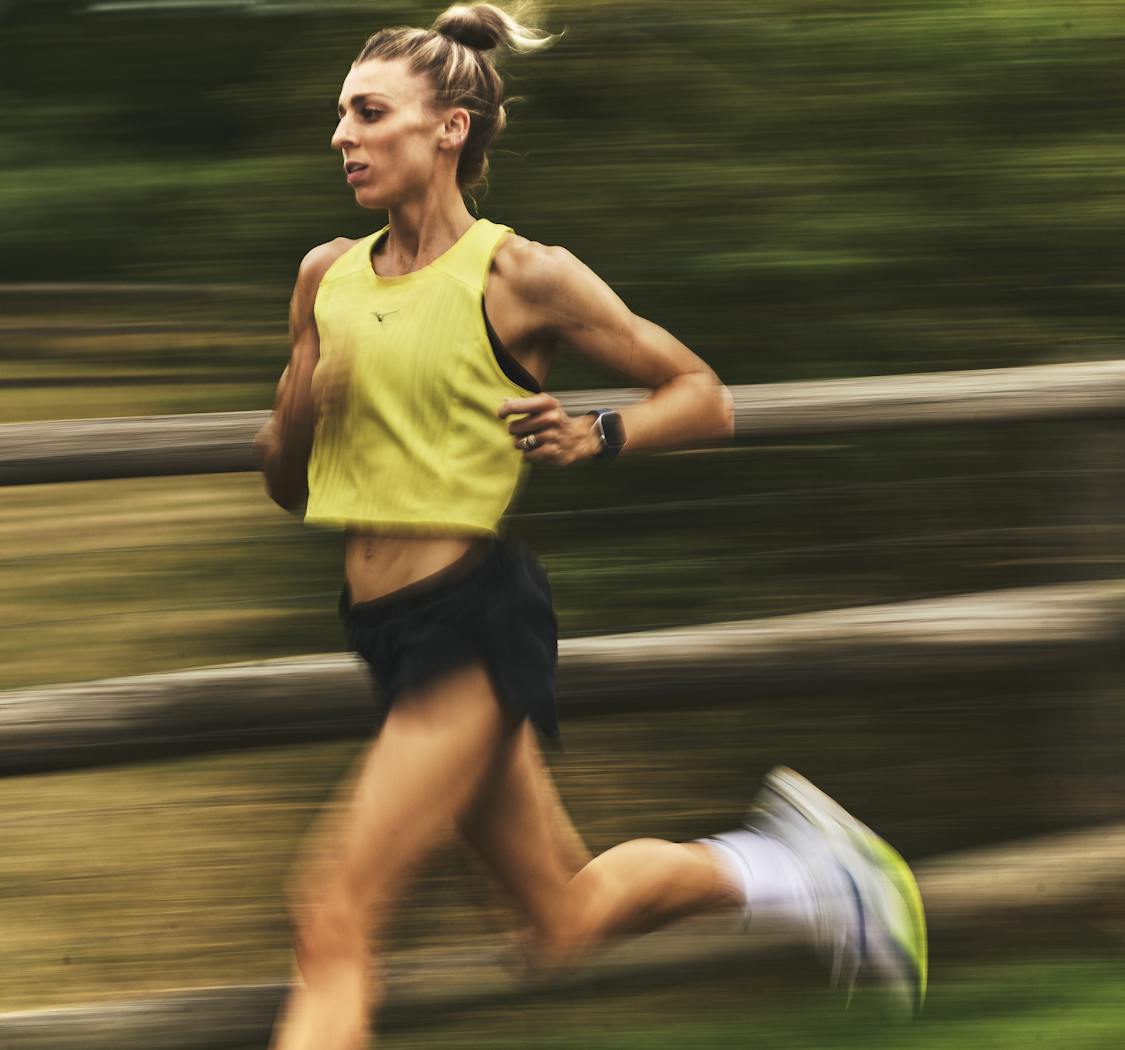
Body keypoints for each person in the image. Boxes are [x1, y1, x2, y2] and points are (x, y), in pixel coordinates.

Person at [254, 5, 927, 1047]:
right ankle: (794, 868)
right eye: (340, 113)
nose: (340, 134)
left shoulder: (521, 275)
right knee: (557, 919)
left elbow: (701, 395)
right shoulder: (325, 277)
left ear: (449, 129)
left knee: (333, 915)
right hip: (383, 631)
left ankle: (803, 870)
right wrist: (303, 396)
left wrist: (599, 434)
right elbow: (287, 484)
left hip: (470, 628)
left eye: (369, 112)